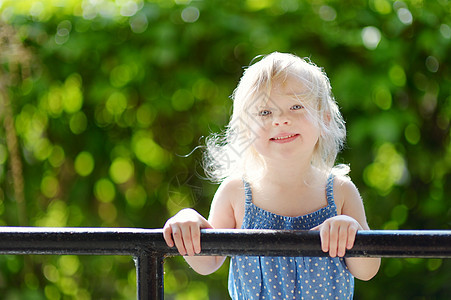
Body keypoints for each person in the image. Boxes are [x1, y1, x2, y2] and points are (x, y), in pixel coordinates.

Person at [163, 52, 380, 299]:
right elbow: (208, 261)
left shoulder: (340, 191)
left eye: (297, 106)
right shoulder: (236, 192)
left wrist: (351, 231)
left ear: (325, 118)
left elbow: (368, 270)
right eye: (265, 113)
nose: (281, 120)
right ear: (246, 130)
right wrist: (187, 221)